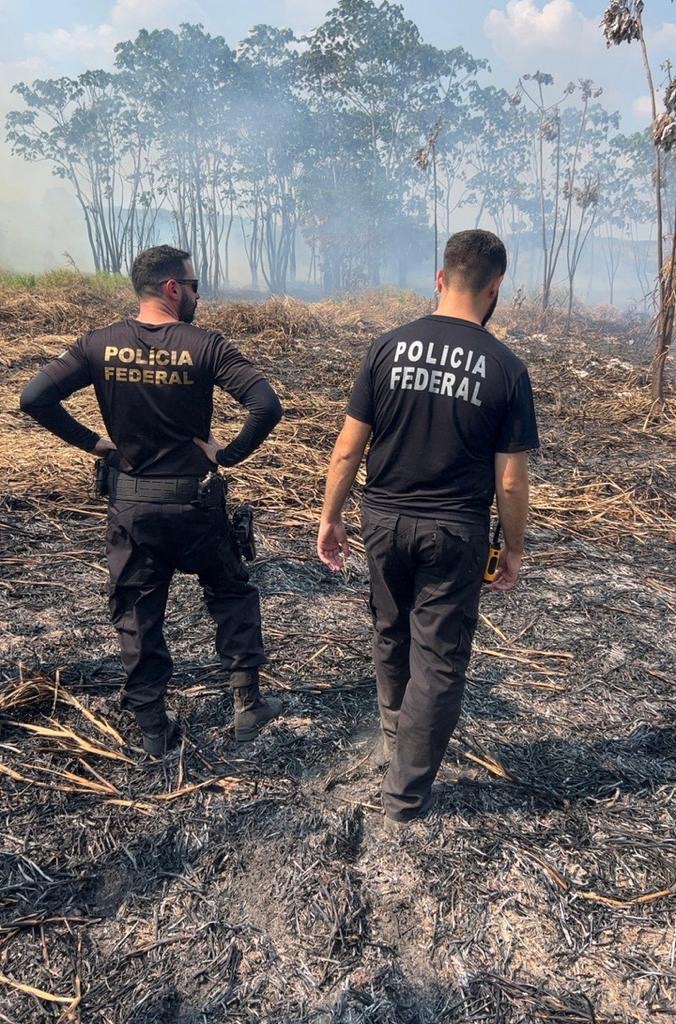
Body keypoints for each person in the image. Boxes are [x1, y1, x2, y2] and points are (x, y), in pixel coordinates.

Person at [20, 245, 283, 754]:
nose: (197, 294)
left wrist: (95, 444)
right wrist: (226, 454)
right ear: (171, 288)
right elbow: (266, 404)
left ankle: (153, 729)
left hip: (133, 506)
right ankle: (247, 704)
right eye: (193, 285)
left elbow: (34, 397)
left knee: (138, 611)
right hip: (196, 504)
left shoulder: (97, 344)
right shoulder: (207, 346)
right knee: (230, 593)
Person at [317, 230, 539, 829]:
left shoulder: (387, 347)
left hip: (383, 520)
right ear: (496, 289)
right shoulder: (506, 369)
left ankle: (394, 737)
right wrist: (513, 548)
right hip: (455, 530)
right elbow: (511, 482)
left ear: (440, 280)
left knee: (390, 628)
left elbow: (347, 449)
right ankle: (406, 795)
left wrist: (331, 516)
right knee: (439, 661)